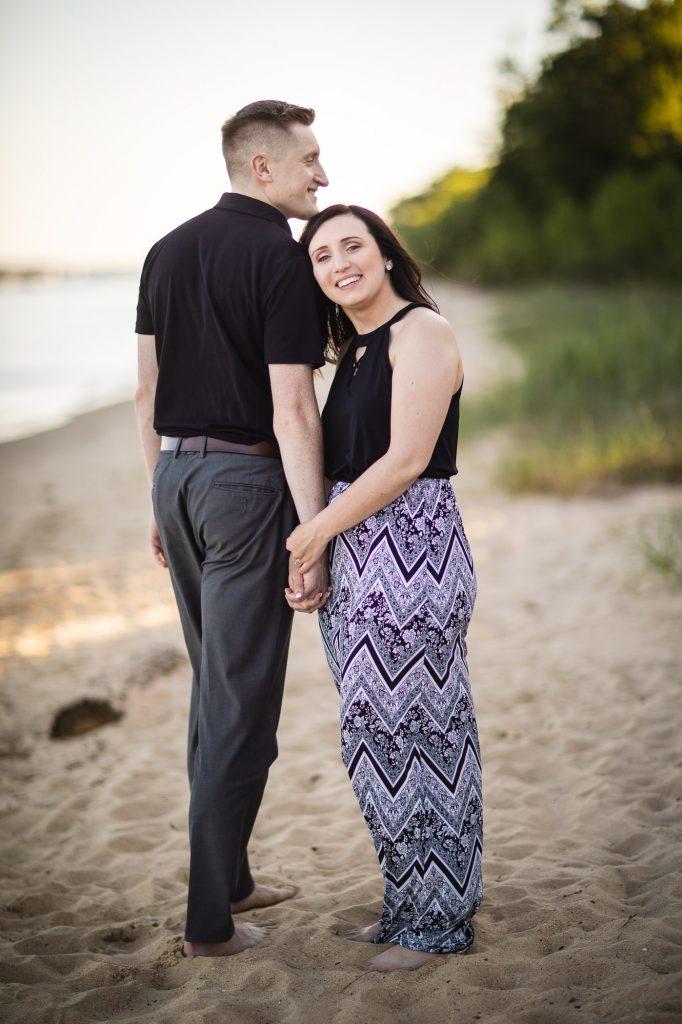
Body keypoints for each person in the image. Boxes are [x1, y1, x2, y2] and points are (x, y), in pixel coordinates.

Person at [134, 100, 330, 959]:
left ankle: (236, 875)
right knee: (242, 701)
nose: (321, 176)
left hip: (176, 476)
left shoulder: (163, 250)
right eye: (309, 161)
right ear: (261, 166)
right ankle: (210, 922)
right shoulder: (282, 261)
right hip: (246, 484)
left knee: (216, 688)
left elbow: (146, 394)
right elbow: (292, 409)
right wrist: (314, 527)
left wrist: (157, 496)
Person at [286, 205, 483, 972]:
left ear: (385, 254)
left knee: (419, 733)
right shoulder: (357, 349)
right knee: (375, 739)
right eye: (321, 255)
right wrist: (329, 540)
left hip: (413, 551)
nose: (338, 262)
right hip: (360, 551)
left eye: (351, 246)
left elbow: (405, 461)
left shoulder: (420, 334)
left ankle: (438, 922)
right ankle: (410, 903)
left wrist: (311, 533)